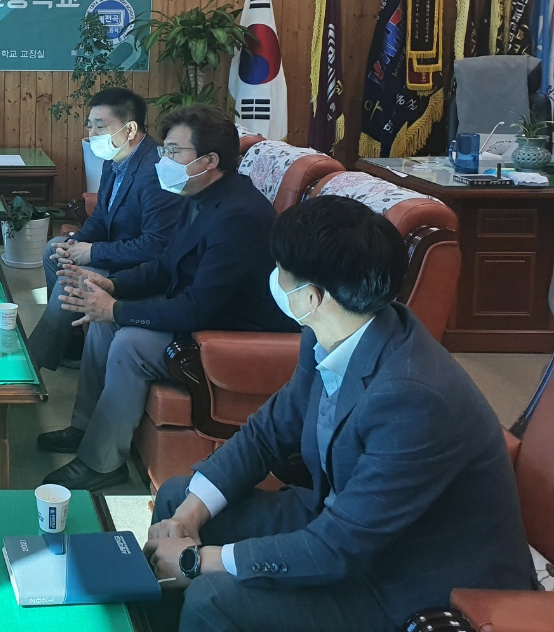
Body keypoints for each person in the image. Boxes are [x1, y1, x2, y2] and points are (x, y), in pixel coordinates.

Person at [144, 195, 535, 632]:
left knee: (213, 598)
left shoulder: (413, 398)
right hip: (344, 522)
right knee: (177, 498)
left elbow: (338, 548)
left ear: (311, 296)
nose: (274, 277)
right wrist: (188, 517)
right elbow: (267, 432)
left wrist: (198, 561)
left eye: (280, 270)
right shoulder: (332, 332)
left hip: (410, 576)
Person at [39, 105, 292, 491]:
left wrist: (117, 310)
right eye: (164, 150)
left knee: (129, 341)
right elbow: (164, 265)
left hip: (232, 332)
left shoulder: (238, 215)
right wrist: (113, 287)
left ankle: (102, 464)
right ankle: (85, 427)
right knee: (103, 325)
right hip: (199, 310)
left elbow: (199, 308)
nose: (164, 160)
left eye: (174, 151)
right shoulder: (197, 193)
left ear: (209, 160)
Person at [27, 87, 183, 371]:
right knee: (55, 249)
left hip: (140, 268)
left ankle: (32, 363)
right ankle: (71, 340)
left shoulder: (155, 171)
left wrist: (93, 253)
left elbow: (156, 245)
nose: (92, 133)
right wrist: (76, 242)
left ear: (129, 129)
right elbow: (100, 217)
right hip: (117, 250)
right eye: (90, 124)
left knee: (71, 279)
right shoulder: (115, 160)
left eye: (100, 125)